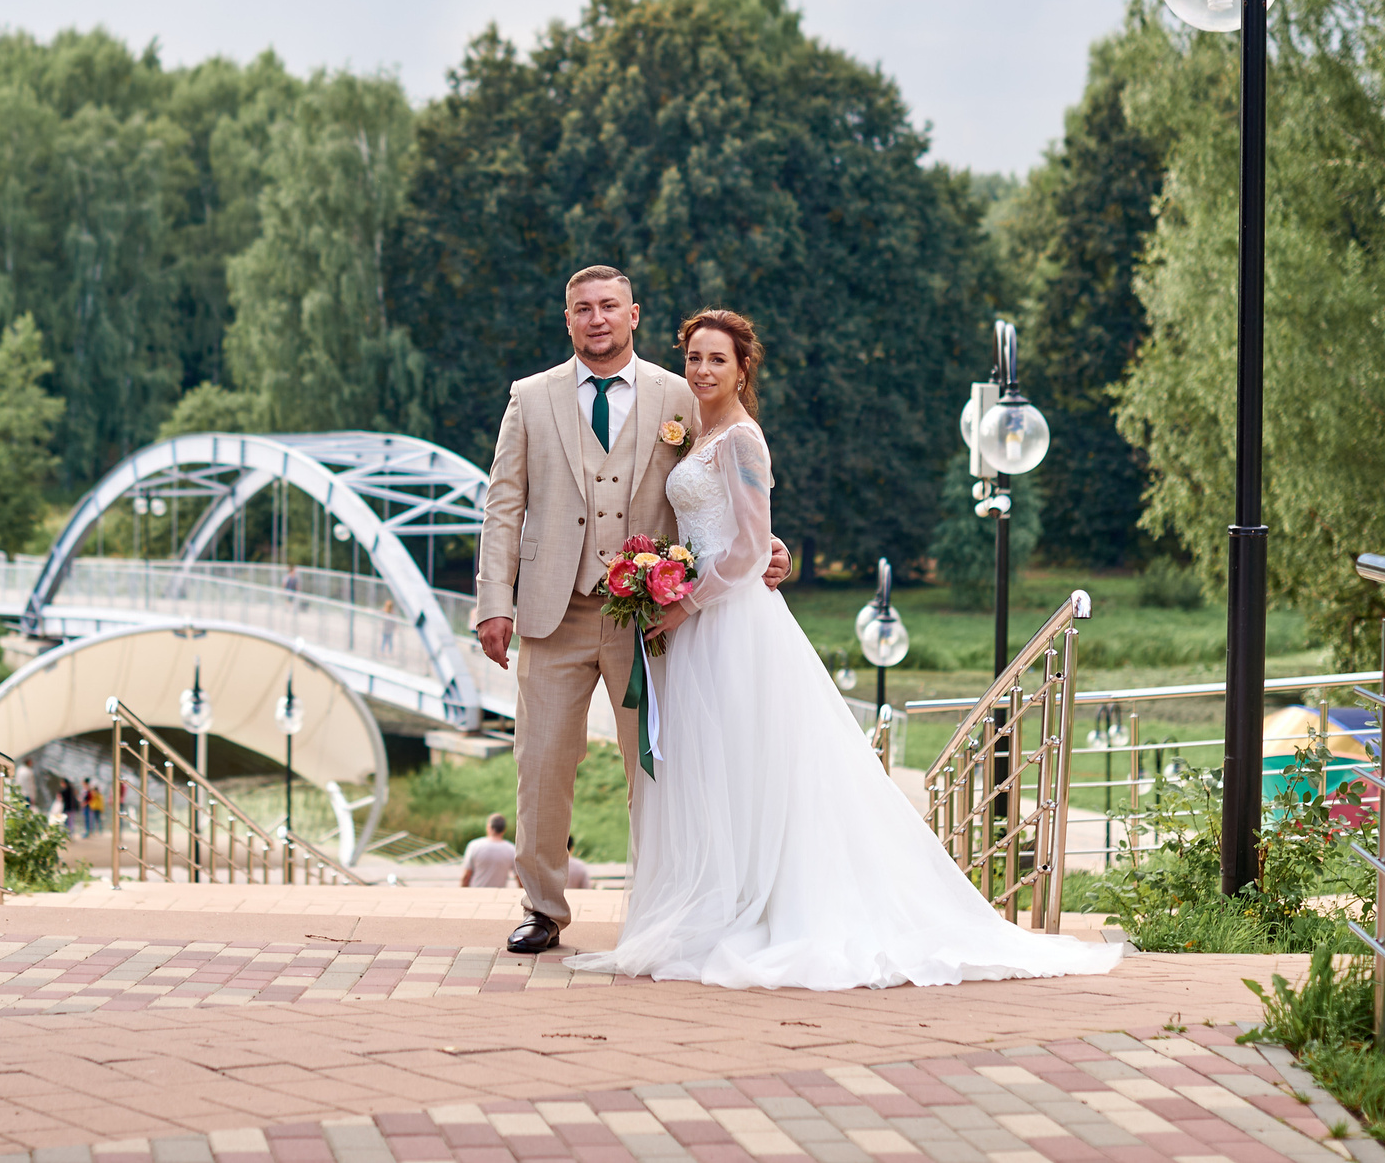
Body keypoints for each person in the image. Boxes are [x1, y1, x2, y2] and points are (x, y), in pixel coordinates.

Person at [561, 309, 1123, 990]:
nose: (702, 370)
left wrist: (683, 603)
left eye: (717, 359)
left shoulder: (742, 439)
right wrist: (666, 578)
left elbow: (750, 547)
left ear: (743, 368)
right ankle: (719, 905)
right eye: (694, 358)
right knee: (713, 768)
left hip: (731, 623)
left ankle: (761, 908)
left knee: (749, 763)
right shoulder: (697, 432)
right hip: (698, 622)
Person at [473, 266, 791, 955]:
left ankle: (659, 907)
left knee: (655, 771)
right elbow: (503, 504)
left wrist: (770, 546)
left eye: (609, 306)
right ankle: (542, 908)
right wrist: (494, 600)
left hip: (647, 618)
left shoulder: (682, 391)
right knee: (542, 765)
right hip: (552, 612)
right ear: (568, 319)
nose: (597, 318)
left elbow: (727, 478)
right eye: (583, 308)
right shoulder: (530, 397)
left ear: (634, 314)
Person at [458, 814, 518, 888]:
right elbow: (520, 878)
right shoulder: (511, 849)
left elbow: (466, 876)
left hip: (477, 892)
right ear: (504, 829)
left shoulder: (474, 846)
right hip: (497, 893)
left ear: (489, 827)